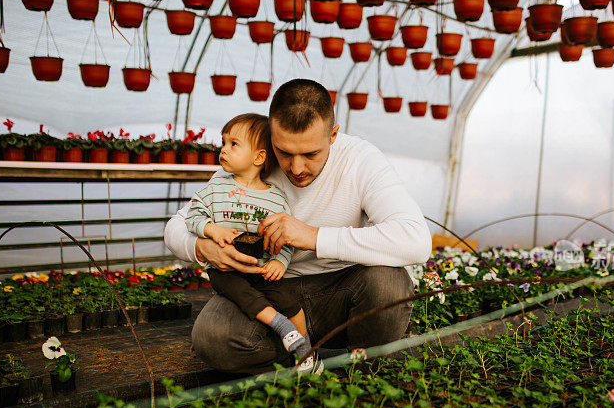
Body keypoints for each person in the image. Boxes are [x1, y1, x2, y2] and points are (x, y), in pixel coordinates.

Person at [164, 78, 431, 374]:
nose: (296, 168)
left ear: (333, 135)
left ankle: (343, 364)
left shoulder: (360, 159)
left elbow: (416, 239)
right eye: (284, 152)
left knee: (388, 284)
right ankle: (315, 361)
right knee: (212, 338)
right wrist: (201, 247)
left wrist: (314, 236)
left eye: (310, 154)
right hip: (268, 292)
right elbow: (177, 224)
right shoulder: (253, 159)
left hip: (343, 289)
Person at [184, 113, 317, 373]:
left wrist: (280, 261)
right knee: (242, 293)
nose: (224, 149)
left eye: (234, 144)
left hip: (262, 268)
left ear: (258, 157)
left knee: (291, 303)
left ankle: (307, 353)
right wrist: (211, 229)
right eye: (224, 143)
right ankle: (281, 326)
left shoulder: (276, 198)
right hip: (226, 270)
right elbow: (193, 216)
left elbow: (284, 237)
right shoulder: (215, 189)